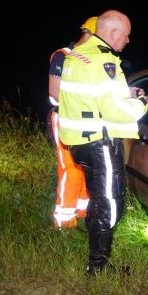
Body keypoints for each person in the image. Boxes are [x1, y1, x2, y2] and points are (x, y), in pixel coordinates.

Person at [58, 10, 148, 275]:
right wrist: (141, 104)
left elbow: (92, 97)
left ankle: (96, 261)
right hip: (100, 143)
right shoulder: (103, 62)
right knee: (111, 204)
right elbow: (115, 112)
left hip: (79, 142)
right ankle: (98, 267)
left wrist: (126, 93)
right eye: (126, 35)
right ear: (112, 34)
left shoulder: (77, 55)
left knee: (98, 201)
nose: (128, 41)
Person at [48, 16, 98, 229]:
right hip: (65, 117)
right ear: (89, 34)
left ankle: (83, 212)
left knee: (84, 166)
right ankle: (64, 221)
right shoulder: (63, 56)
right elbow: (54, 92)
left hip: (84, 120)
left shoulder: (89, 60)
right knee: (70, 168)